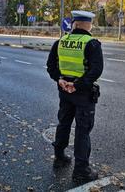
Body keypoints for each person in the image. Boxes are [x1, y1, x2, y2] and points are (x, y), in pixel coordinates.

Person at [46, 10, 103, 184]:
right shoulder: (91, 44)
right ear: (87, 25)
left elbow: (50, 66)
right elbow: (96, 70)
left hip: (64, 91)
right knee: (82, 130)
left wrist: (60, 80)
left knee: (64, 123)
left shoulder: (60, 42)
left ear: (74, 24)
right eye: (90, 24)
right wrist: (77, 85)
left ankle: (60, 155)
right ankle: (81, 171)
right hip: (82, 93)